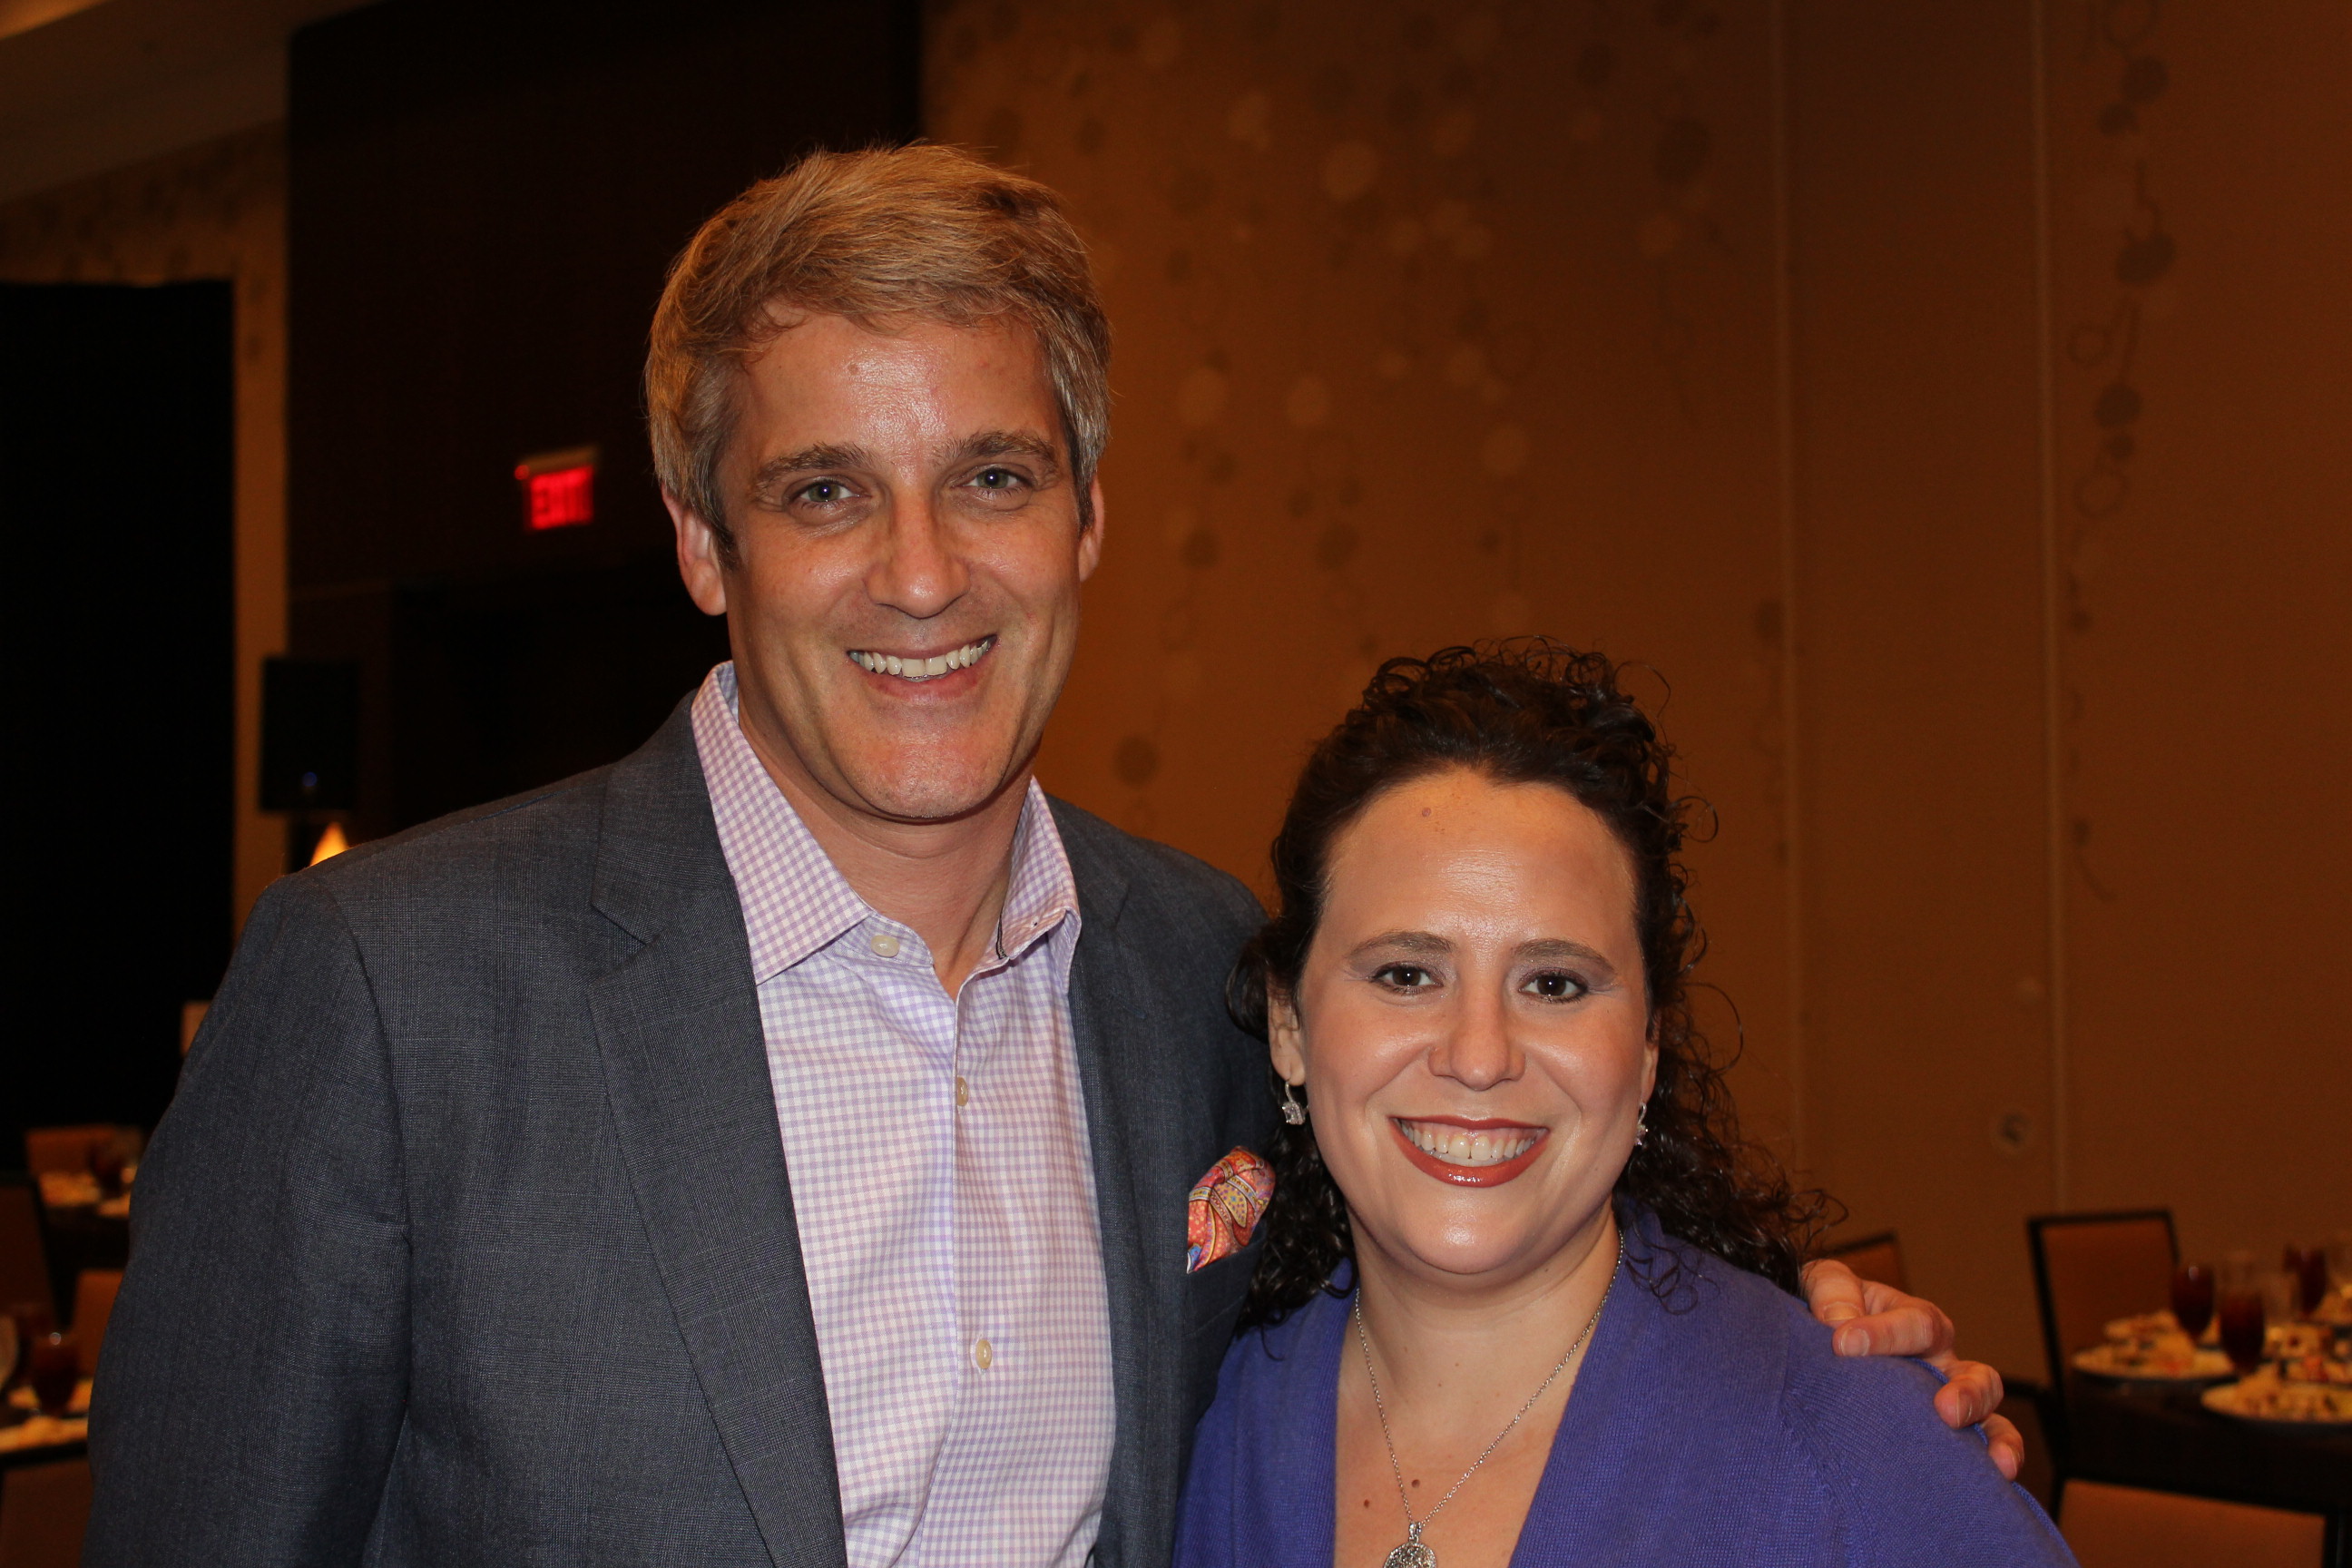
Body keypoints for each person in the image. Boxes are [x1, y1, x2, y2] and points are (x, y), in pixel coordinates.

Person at [88, 147, 2014, 1568]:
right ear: (698, 541)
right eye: (825, 491)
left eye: (993, 477)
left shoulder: (1197, 975)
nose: (923, 575)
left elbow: (1484, 1210)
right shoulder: (390, 992)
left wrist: (1820, 1366)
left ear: (1086, 516)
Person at [1177, 643, 2072, 1568]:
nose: (1478, 1057)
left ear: (1647, 1049)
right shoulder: (1190, 1427)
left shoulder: (1861, 1463)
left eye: (1554, 984)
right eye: (1406, 975)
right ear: (1288, 1023)